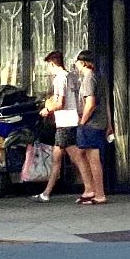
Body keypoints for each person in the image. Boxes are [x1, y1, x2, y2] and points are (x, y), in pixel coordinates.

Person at [35, 51, 82, 203]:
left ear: (52, 63)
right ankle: (46, 192)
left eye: (48, 65)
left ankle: (91, 188)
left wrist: (47, 109)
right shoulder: (72, 77)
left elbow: (61, 103)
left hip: (65, 123)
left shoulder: (59, 79)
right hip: (70, 121)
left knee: (77, 158)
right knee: (57, 158)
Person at [71, 50, 109, 205]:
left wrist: (83, 121)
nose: (76, 65)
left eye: (77, 62)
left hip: (91, 123)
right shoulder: (99, 77)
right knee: (80, 153)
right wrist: (109, 123)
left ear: (82, 63)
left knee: (93, 159)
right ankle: (89, 189)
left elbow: (90, 103)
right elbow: (105, 102)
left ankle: (99, 193)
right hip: (99, 122)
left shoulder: (89, 78)